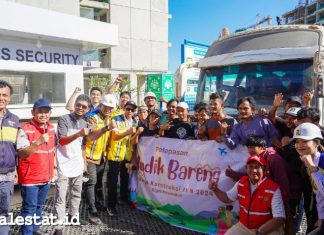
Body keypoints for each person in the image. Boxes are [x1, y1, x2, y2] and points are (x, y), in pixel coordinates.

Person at [54, 94, 98, 235]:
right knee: (61, 196)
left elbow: (83, 146)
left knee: (76, 193)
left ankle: (73, 217)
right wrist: (79, 133)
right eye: (78, 104)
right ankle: (59, 226)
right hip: (63, 162)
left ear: (87, 109)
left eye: (84, 106)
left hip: (77, 163)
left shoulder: (86, 122)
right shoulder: (64, 119)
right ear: (75, 105)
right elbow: (62, 141)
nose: (80, 108)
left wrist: (84, 163)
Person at [209, 155, 285, 235]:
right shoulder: (241, 182)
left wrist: (260, 232)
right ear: (247, 169)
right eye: (251, 167)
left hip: (268, 229)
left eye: (257, 167)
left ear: (264, 169)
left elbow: (279, 218)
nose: (254, 170)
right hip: (244, 227)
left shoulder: (273, 188)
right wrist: (215, 189)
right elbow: (227, 199)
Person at [17, 99, 56, 235]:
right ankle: (26, 232)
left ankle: (35, 230)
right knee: (29, 209)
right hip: (30, 179)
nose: (43, 114)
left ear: (50, 113)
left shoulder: (51, 128)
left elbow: (52, 151)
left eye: (46, 112)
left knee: (39, 207)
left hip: (46, 177)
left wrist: (54, 170)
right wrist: (37, 142)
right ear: (33, 112)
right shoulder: (25, 129)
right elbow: (22, 154)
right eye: (40, 111)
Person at [84, 94, 116, 224]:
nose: (108, 109)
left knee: (97, 183)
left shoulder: (110, 118)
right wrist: (106, 128)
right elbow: (90, 136)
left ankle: (95, 203)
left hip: (101, 157)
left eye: (111, 107)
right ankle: (92, 211)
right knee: (91, 182)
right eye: (106, 106)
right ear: (101, 105)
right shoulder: (92, 117)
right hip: (89, 156)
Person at [107, 100, 137, 216]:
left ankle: (123, 199)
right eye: (128, 109)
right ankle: (111, 205)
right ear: (124, 108)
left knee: (125, 179)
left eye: (132, 110)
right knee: (113, 181)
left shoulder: (134, 122)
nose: (130, 111)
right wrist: (128, 132)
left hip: (127, 155)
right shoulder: (116, 119)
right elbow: (114, 137)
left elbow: (133, 141)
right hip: (115, 155)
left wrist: (137, 133)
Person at [293, 123, 324, 235]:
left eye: (304, 141)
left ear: (316, 143)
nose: (299, 145)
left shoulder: (319, 161)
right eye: (297, 142)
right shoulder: (308, 160)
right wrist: (321, 217)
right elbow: (318, 193)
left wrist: (312, 167)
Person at [0, 80, 19, 235]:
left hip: (7, 176)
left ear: (9, 98)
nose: (1, 98)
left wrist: (16, 170)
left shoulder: (14, 119)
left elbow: (15, 148)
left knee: (4, 212)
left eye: (4, 95)